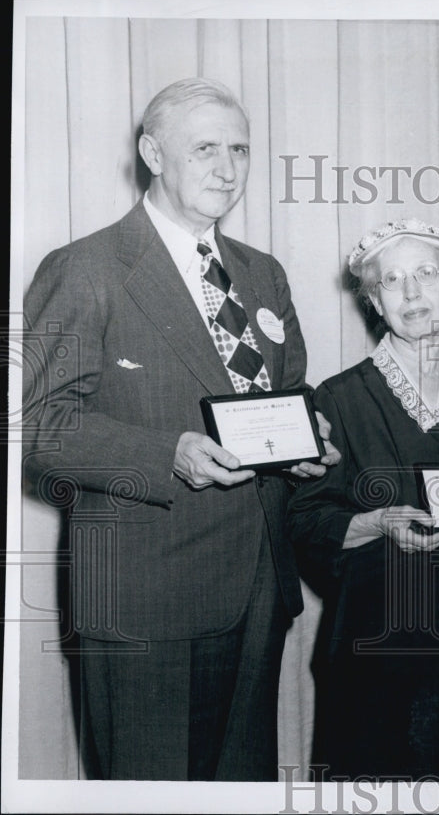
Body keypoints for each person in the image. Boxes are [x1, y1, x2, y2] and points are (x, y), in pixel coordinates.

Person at [22, 77, 337, 781]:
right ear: (153, 154)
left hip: (259, 585)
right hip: (142, 596)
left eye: (240, 150)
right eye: (205, 150)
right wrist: (168, 455)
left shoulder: (263, 273)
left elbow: (282, 396)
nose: (228, 170)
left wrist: (307, 435)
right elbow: (40, 431)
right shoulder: (86, 268)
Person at [285, 218, 439, 780]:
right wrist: (377, 522)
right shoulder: (337, 398)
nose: (413, 293)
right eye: (392, 281)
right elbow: (304, 519)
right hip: (375, 648)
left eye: (427, 274)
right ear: (373, 302)